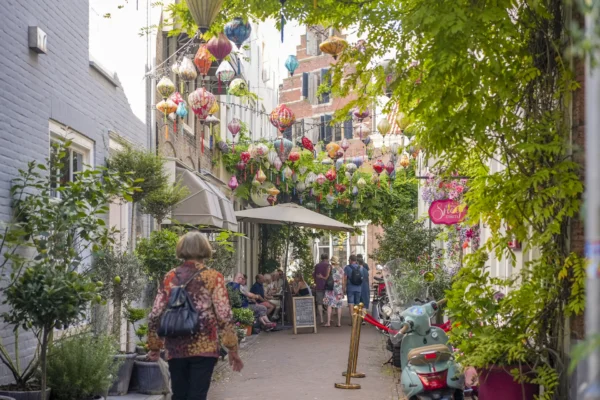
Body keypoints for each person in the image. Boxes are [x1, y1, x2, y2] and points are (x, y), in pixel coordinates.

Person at [147, 231, 243, 400]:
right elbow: (224, 315)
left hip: (176, 345)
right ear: (205, 249)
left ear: (181, 249)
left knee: (179, 394)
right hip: (204, 345)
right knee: (198, 394)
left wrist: (155, 346)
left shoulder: (170, 277)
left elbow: (156, 313)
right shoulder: (213, 277)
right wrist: (232, 348)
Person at [323, 256, 344, 327]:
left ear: (332, 261)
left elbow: (326, 277)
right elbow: (343, 281)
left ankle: (328, 322)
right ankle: (339, 323)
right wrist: (343, 290)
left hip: (331, 288)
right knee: (339, 306)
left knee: (329, 305)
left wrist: (321, 277)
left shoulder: (330, 268)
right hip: (339, 289)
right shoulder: (341, 269)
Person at [344, 254, 365, 325]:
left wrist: (344, 287)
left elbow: (345, 278)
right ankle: (357, 320)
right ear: (356, 260)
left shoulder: (347, 268)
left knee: (350, 304)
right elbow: (362, 278)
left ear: (350, 260)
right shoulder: (361, 268)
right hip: (358, 288)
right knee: (357, 304)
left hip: (350, 288)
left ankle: (353, 321)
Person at [313, 254, 331, 325]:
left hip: (319, 286)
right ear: (327, 258)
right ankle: (328, 318)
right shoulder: (329, 266)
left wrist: (316, 281)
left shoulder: (317, 266)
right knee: (327, 302)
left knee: (319, 303)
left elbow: (314, 275)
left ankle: (321, 319)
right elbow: (330, 276)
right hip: (327, 286)